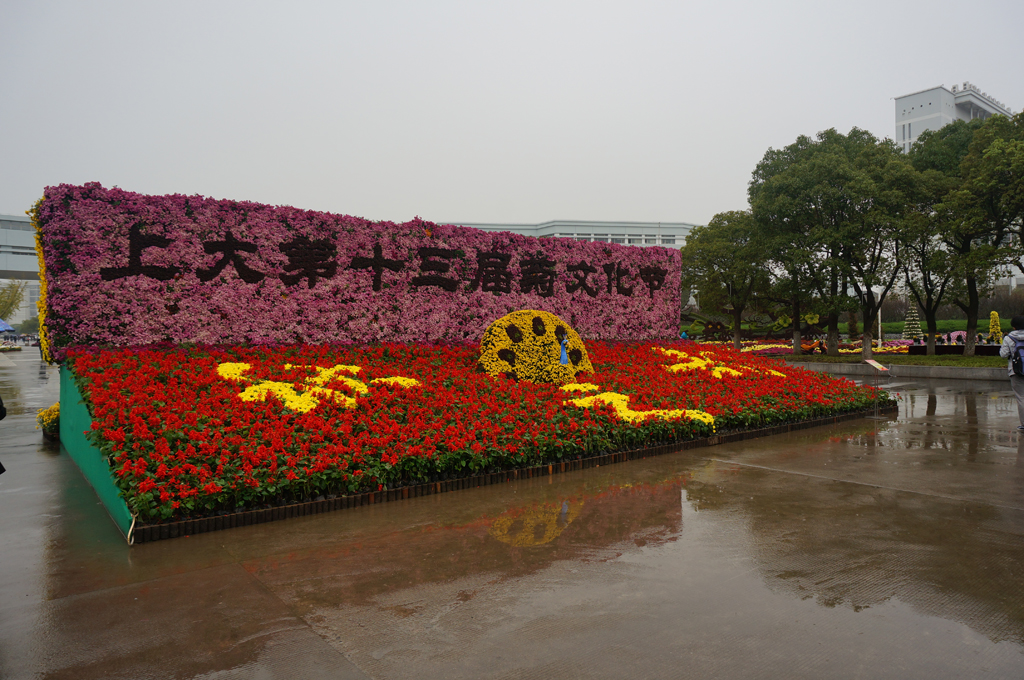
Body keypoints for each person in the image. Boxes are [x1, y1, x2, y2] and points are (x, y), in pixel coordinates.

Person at [999, 315, 1024, 432]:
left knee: (1021, 398)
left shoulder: (1009, 338)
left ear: (1013, 326)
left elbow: (1003, 354)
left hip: (1016, 371)